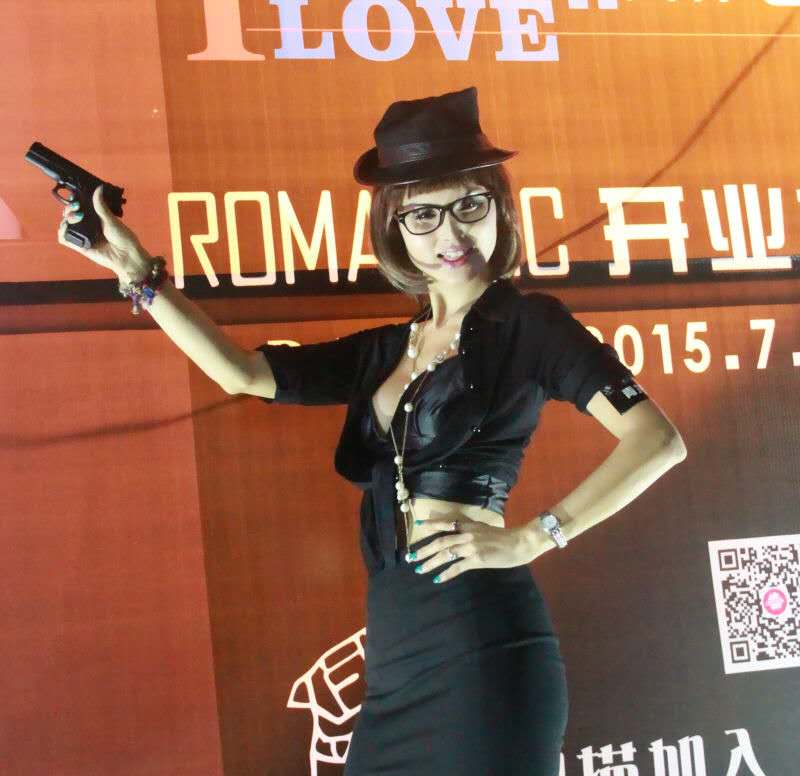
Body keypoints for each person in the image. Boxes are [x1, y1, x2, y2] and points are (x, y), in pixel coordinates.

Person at [58, 86, 687, 775]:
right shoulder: (387, 350)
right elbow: (244, 373)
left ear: (499, 209)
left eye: (469, 206)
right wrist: (137, 274)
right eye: (423, 214)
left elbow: (657, 440)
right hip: (397, 659)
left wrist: (537, 536)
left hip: (483, 652)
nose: (450, 236)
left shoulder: (531, 325)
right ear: (395, 227)